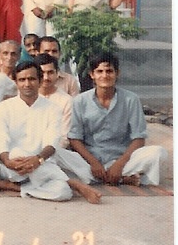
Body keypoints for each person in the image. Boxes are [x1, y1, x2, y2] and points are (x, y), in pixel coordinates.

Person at [0, 61, 101, 203]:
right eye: (22, 80)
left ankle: (15, 188)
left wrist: (38, 159)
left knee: (63, 192)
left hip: (42, 164)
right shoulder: (4, 108)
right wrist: (7, 161)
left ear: (40, 81)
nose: (27, 84)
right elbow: (0, 139)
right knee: (17, 152)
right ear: (15, 82)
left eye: (32, 79)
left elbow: (52, 142)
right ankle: (73, 183)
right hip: (13, 167)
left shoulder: (52, 109)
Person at [60, 53, 167, 187]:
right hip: (89, 162)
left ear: (117, 73)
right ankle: (121, 179)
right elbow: (75, 138)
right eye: (100, 71)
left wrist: (119, 164)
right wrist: (94, 163)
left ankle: (108, 177)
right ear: (92, 74)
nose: (105, 76)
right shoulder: (80, 101)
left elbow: (139, 138)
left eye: (109, 71)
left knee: (158, 152)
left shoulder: (131, 99)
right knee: (56, 153)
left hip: (123, 160)